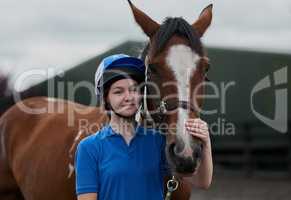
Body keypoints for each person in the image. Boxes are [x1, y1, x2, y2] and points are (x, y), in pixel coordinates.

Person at [75, 54, 213, 200]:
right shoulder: (89, 148)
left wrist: (206, 142)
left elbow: (201, 182)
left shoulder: (158, 141)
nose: (129, 97)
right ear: (105, 99)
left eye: (134, 89)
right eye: (118, 92)